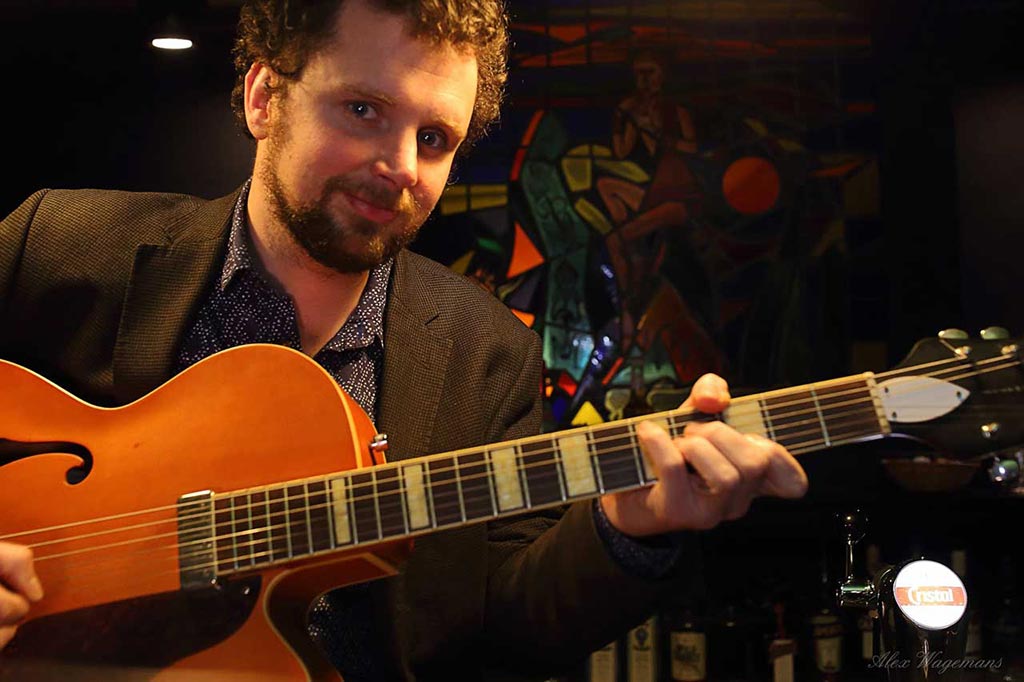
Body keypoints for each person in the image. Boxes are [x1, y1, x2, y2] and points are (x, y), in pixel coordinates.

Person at [0, 0, 808, 679]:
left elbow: (505, 629)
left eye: (434, 139)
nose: (402, 166)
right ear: (264, 98)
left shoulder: (487, 353)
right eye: (363, 110)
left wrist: (627, 528)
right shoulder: (57, 244)